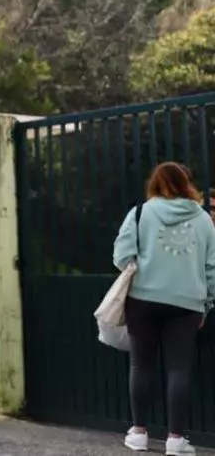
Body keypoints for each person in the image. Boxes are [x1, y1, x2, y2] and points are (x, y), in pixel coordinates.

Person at [115, 162, 215, 456]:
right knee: (179, 370)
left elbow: (121, 255)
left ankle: (138, 433)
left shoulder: (140, 213)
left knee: (140, 365)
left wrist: (143, 269)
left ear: (154, 183)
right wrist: (207, 303)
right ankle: (175, 439)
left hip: (142, 300)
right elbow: (212, 267)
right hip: (187, 303)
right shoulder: (203, 220)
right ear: (187, 184)